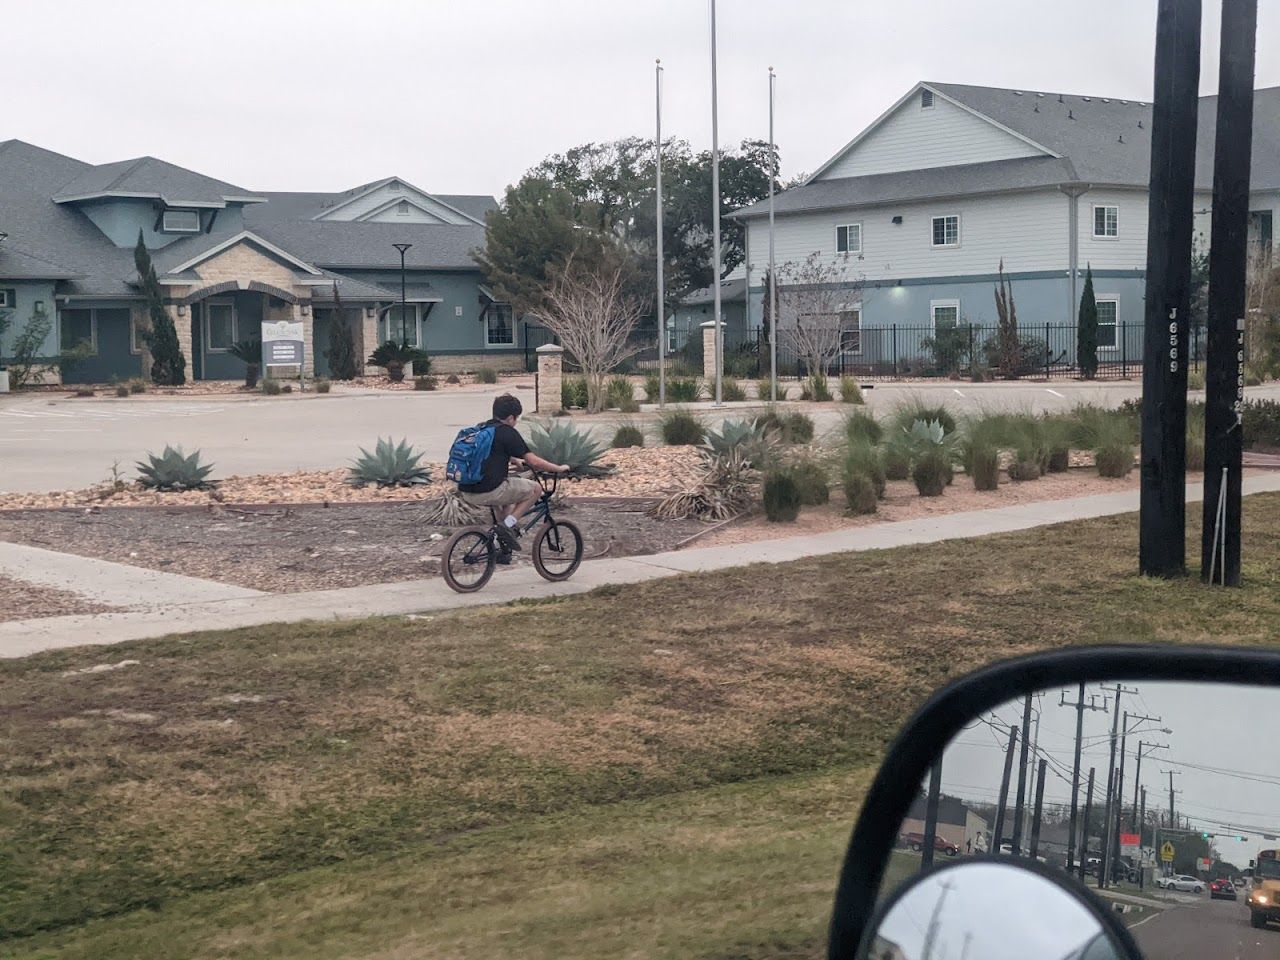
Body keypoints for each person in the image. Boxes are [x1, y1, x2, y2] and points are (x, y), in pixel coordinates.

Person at [458, 393, 569, 562]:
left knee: (507, 502)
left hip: (467, 490)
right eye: (516, 419)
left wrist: (514, 460)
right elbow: (534, 462)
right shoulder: (507, 432)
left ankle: (504, 550)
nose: (515, 422)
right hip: (490, 490)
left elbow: (490, 452)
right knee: (535, 489)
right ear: (510, 418)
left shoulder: (482, 429)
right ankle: (507, 525)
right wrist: (558, 468)